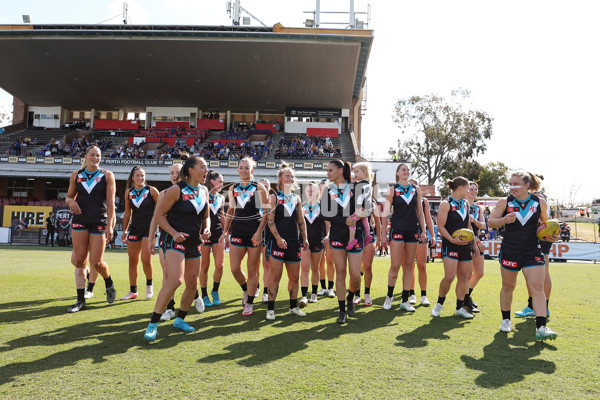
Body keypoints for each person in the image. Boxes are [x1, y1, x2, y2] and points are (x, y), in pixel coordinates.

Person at [144, 156, 210, 341]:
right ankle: (153, 324)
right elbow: (158, 216)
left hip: (193, 242)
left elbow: (206, 216)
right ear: (191, 170)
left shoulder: (204, 190)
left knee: (192, 283)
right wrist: (173, 233)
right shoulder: (175, 190)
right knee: (174, 281)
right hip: (173, 241)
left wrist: (207, 228)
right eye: (203, 167)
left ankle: (180, 319)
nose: (206, 171)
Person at [488, 172, 559, 340]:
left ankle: (541, 327)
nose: (512, 187)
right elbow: (491, 222)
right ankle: (506, 320)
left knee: (537, 287)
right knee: (508, 286)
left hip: (532, 251)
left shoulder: (539, 202)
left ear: (527, 185)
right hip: (510, 250)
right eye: (510, 184)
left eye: (516, 184)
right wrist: (504, 219)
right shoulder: (504, 202)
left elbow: (545, 225)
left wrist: (551, 235)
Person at [65, 145, 117, 313]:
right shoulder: (76, 175)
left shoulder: (107, 175)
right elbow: (68, 197)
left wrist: (110, 225)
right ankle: (80, 301)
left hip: (98, 221)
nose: (96, 157)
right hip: (80, 220)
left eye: (98, 155)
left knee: (97, 262)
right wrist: (71, 201)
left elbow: (110, 203)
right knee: (79, 261)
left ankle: (108, 282)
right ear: (86, 156)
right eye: (93, 154)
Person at [321, 159, 372, 324]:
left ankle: (351, 297)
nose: (328, 173)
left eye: (330, 170)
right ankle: (342, 310)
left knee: (356, 275)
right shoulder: (328, 190)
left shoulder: (357, 187)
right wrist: (345, 220)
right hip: (337, 235)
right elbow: (324, 213)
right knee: (340, 272)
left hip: (355, 235)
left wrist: (359, 216)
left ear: (340, 170)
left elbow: (367, 207)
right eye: (327, 171)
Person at [219, 157, 269, 316]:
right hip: (238, 231)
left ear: (252, 170)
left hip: (255, 231)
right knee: (234, 268)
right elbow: (230, 211)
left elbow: (267, 212)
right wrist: (225, 231)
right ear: (237, 169)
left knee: (252, 268)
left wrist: (259, 232)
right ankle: (247, 290)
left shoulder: (259, 187)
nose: (243, 170)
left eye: (247, 168)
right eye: (241, 167)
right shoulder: (233, 188)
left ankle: (250, 303)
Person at [264, 163, 309, 320]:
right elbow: (270, 221)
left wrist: (305, 238)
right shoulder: (274, 197)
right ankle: (270, 309)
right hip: (277, 242)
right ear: (281, 179)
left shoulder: (296, 198)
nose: (290, 178)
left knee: (294, 277)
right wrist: (278, 238)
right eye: (287, 176)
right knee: (275, 276)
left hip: (293, 242)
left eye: (292, 176)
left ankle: (293, 307)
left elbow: (301, 221)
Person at [381, 163, 426, 312]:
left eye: (408, 169)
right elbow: (385, 214)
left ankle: (405, 300)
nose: (406, 171)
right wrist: (383, 234)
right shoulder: (392, 190)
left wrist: (423, 230)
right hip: (397, 230)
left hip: (413, 230)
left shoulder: (416, 190)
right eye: (403, 169)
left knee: (409, 266)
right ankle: (389, 296)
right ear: (398, 173)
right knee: (395, 266)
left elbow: (420, 212)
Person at [431, 177, 475, 319]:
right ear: (460, 188)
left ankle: (459, 307)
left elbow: (468, 226)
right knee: (449, 277)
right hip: (450, 245)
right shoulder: (446, 204)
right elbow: (441, 227)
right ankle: (439, 304)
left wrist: (474, 244)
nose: (469, 191)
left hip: (465, 245)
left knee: (464, 277)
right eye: (467, 188)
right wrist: (451, 240)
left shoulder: (466, 204)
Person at [147, 163, 183, 321]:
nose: (174, 176)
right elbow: (156, 218)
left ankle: (195, 295)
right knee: (167, 273)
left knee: (187, 276)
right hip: (167, 238)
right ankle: (170, 307)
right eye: (171, 173)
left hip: (187, 238)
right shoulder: (163, 194)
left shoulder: (194, 192)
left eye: (177, 172)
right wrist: (150, 239)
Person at [515, 178, 553, 319]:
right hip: (541, 237)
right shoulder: (541, 196)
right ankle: (538, 307)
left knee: (540, 274)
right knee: (539, 274)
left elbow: (541, 220)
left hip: (539, 237)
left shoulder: (536, 197)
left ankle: (538, 307)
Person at [120, 166, 159, 300]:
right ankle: (133, 291)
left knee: (145, 259)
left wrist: (160, 227)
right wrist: (124, 230)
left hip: (150, 229)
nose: (140, 178)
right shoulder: (128, 193)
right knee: (132, 260)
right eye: (137, 175)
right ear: (132, 178)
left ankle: (149, 285)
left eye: (142, 175)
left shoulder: (152, 191)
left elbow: (162, 209)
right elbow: (127, 213)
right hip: (135, 229)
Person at [351, 162, 380, 306]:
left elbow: (377, 220)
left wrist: (380, 238)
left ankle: (367, 294)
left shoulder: (371, 199)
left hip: (368, 235)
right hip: (355, 233)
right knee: (356, 269)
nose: (355, 174)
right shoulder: (352, 189)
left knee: (367, 266)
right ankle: (356, 295)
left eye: (357, 171)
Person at [199, 170, 226, 307]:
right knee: (204, 266)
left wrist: (225, 232)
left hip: (218, 233)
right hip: (204, 234)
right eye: (220, 181)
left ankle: (215, 290)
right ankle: (204, 295)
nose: (222, 183)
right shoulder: (203, 195)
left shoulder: (221, 197)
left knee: (220, 266)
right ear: (212, 181)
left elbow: (222, 216)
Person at [299, 181, 329, 307]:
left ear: (318, 192)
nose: (310, 192)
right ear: (305, 192)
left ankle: (314, 293)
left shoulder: (323, 207)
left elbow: (328, 225)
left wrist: (327, 236)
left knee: (315, 268)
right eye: (308, 190)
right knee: (304, 268)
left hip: (318, 241)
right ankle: (304, 296)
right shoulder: (301, 207)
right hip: (304, 242)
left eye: (313, 190)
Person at [409, 179, 436, 306]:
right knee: (409, 266)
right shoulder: (401, 198)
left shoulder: (424, 201)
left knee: (422, 265)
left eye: (414, 185)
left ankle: (424, 295)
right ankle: (411, 293)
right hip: (406, 234)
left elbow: (428, 219)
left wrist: (433, 235)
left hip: (421, 234)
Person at [465, 182, 486, 312]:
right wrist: (477, 242)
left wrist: (474, 221)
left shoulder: (479, 208)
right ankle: (465, 301)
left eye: (475, 189)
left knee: (479, 273)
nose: (474, 191)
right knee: (466, 275)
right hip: (466, 241)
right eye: (471, 189)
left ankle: (467, 297)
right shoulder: (462, 205)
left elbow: (483, 225)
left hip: (477, 242)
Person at [259, 178, 272, 303]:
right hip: (254, 236)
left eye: (267, 186)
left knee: (266, 264)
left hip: (267, 236)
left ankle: (265, 291)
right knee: (252, 265)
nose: (264, 189)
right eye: (262, 186)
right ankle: (254, 287)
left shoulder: (272, 202)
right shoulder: (254, 201)